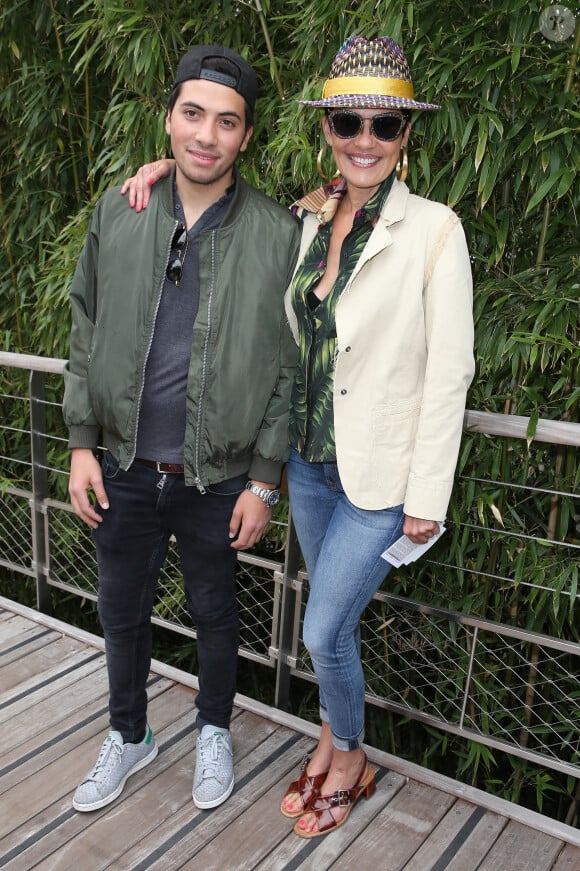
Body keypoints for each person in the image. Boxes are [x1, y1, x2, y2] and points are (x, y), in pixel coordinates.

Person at [124, 34, 474, 838]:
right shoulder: (306, 220)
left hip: (380, 478)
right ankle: (330, 735)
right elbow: (220, 210)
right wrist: (154, 174)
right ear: (326, 130)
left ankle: (348, 752)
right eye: (347, 122)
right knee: (336, 625)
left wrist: (428, 495)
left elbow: (450, 373)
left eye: (384, 127)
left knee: (321, 627)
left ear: (406, 136)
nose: (364, 141)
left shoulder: (434, 230)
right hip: (309, 468)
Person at [62, 44, 300, 814]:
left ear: (247, 136)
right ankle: (129, 733)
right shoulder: (119, 209)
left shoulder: (278, 233)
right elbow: (84, 327)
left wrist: (265, 478)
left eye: (226, 121)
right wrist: (79, 445)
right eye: (192, 114)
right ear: (168, 120)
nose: (207, 135)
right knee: (119, 608)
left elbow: (289, 365)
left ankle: (213, 728)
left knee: (215, 612)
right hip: (125, 464)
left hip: (219, 474)